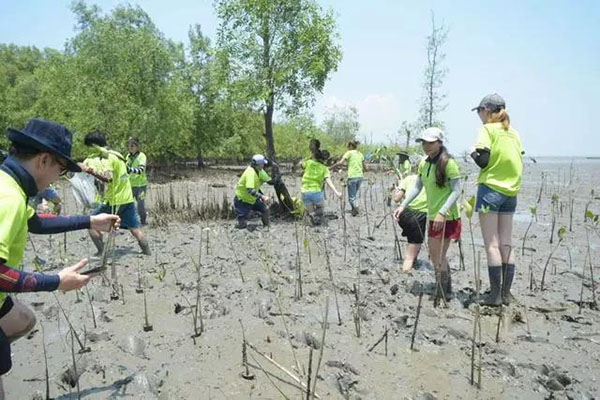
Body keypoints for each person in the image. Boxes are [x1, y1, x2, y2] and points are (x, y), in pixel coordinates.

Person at [0, 118, 119, 391]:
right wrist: (55, 281)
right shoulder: (7, 198)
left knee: (24, 320)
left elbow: (35, 222)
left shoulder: (11, 185)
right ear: (43, 161)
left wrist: (90, 221)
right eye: (61, 170)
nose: (59, 178)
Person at [394, 127, 461, 302]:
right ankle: (444, 289)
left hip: (447, 217)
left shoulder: (449, 163)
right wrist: (403, 205)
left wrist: (442, 212)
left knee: (438, 256)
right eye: (424, 143)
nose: (426, 146)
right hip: (433, 216)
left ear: (440, 143)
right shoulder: (424, 163)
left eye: (431, 143)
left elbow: (456, 191)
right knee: (437, 256)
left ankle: (443, 291)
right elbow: (417, 186)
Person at [470, 94, 523, 306]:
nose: (479, 116)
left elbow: (484, 161)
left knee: (491, 245)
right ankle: (506, 293)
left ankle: (494, 296)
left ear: (487, 111)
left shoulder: (487, 130)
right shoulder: (514, 133)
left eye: (479, 112)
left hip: (490, 189)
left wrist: (472, 153)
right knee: (506, 243)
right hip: (511, 193)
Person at [82, 131, 151, 256]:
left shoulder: (107, 158)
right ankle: (147, 253)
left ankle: (102, 251)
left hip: (114, 201)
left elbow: (108, 178)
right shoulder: (119, 156)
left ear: (94, 145)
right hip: (127, 198)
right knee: (135, 229)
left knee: (90, 223)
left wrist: (90, 171)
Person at [393, 163, 428, 273]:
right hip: (419, 216)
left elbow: (396, 198)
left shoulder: (408, 179)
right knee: (414, 243)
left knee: (412, 238)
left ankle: (413, 259)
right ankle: (406, 270)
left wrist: (397, 187)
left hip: (404, 215)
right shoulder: (429, 181)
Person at [300, 149, 341, 225]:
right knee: (320, 210)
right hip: (316, 192)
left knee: (311, 213)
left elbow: (300, 164)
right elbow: (329, 182)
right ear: (325, 159)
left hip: (304, 192)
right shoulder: (324, 168)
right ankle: (318, 222)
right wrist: (337, 192)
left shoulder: (308, 163)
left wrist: (309, 157)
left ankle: (311, 222)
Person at [234, 155, 272, 229]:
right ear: (258, 165)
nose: (264, 165)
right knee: (242, 224)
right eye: (263, 164)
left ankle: (266, 228)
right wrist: (263, 197)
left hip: (253, 199)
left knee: (265, 209)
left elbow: (269, 180)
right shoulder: (250, 173)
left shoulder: (259, 171)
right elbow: (250, 190)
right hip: (243, 201)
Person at [332, 140, 365, 216]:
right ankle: (354, 210)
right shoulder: (360, 154)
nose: (347, 148)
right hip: (360, 177)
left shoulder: (349, 153)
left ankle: (357, 208)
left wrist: (333, 166)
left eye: (348, 146)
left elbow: (341, 162)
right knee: (354, 195)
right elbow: (364, 166)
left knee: (351, 197)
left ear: (351, 146)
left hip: (352, 177)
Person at [126, 137, 148, 225]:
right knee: (128, 205)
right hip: (130, 185)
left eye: (133, 145)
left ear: (137, 146)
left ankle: (143, 221)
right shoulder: (127, 156)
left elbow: (140, 170)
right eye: (129, 145)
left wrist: (129, 169)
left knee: (140, 206)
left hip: (141, 186)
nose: (131, 147)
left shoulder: (142, 156)